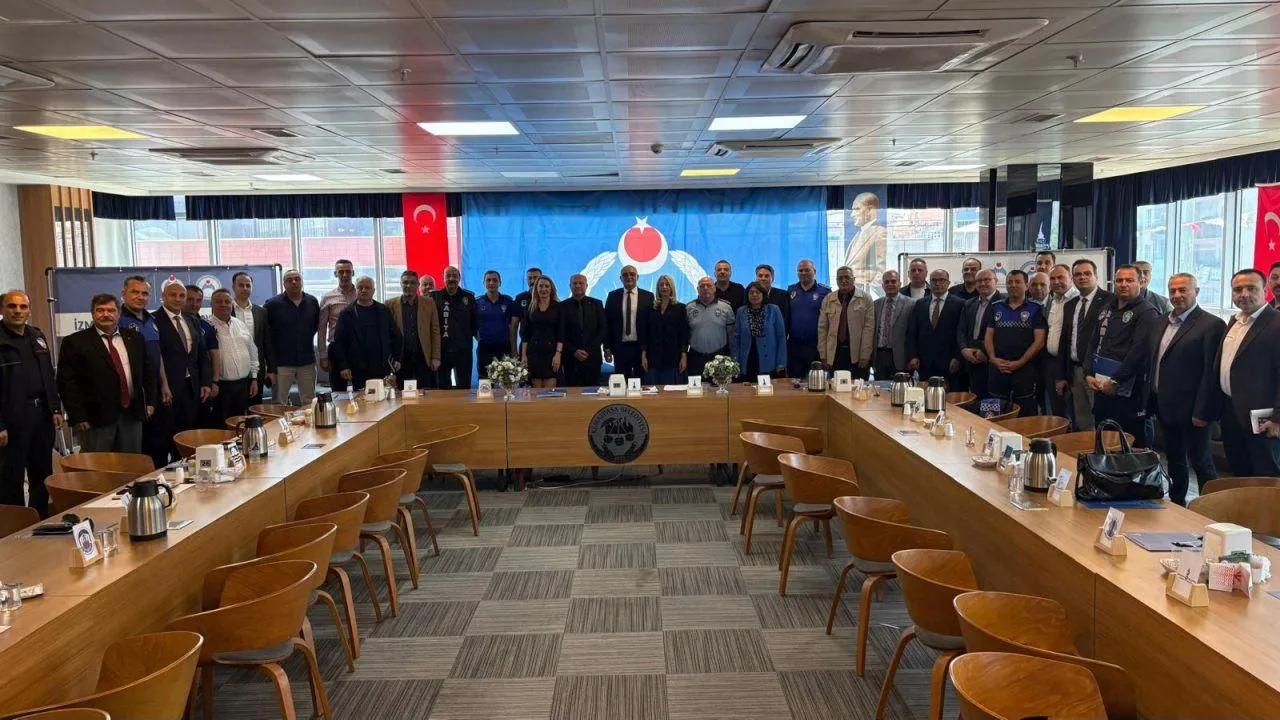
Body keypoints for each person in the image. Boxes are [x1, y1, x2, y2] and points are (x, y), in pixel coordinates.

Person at [1149, 273, 1224, 505]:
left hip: (1194, 411)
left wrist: (1203, 411)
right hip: (1165, 405)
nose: (1177, 295)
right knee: (1174, 459)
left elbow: (1211, 374)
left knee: (1201, 462)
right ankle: (1177, 503)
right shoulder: (1161, 321)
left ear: (1196, 292)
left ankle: (1211, 508)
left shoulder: (1211, 325)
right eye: (1173, 291)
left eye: (1183, 290)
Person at [58, 294, 154, 454]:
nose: (106, 314)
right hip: (95, 418)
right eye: (100, 310)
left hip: (131, 414)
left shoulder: (135, 338)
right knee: (98, 466)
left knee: (131, 463)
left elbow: (147, 372)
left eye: (111, 310)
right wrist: (78, 416)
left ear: (119, 313)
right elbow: (66, 383)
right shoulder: (75, 342)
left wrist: (150, 401)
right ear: (92, 313)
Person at [1085, 265, 1160, 448]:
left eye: (1129, 280)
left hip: (1130, 391)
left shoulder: (1147, 312)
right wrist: (1088, 373)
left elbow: (1139, 352)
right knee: (1104, 439)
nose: (1123, 284)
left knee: (1131, 444)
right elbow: (1093, 342)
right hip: (1102, 386)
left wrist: (1116, 381)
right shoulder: (1107, 307)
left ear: (1141, 282)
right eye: (1119, 280)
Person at [1214, 268, 1280, 477]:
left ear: (1265, 290)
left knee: (1265, 473)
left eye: (1251, 288)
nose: (1244, 294)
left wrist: (1278, 419)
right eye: (1238, 290)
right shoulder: (1234, 321)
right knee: (1239, 469)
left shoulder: (1276, 323)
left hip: (1263, 415)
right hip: (1230, 411)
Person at [0, 291, 61, 515]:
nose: (18, 311)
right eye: (12, 306)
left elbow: (48, 375)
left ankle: (39, 520)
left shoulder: (37, 336)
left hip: (41, 415)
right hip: (12, 419)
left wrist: (55, 408)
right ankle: (15, 525)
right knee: (11, 477)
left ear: (29, 310)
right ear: (2, 309)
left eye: (23, 307)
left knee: (42, 473)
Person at [151, 282, 212, 465]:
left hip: (191, 388)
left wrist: (206, 382)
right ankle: (162, 476)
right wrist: (162, 385)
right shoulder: (153, 320)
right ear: (163, 296)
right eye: (173, 295)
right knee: (163, 439)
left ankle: (186, 471)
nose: (178, 299)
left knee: (187, 436)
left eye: (181, 295)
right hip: (166, 390)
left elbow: (202, 353)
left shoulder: (191, 320)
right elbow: (154, 357)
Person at [1056, 259, 1113, 431]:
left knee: (1102, 418)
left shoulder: (1111, 300)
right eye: (1078, 274)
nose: (1083, 277)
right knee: (1082, 419)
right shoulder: (1070, 305)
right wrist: (1061, 375)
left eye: (1087, 273)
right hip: (1074, 370)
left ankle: (1101, 447)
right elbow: (1065, 340)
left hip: (1098, 372)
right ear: (1073, 278)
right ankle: (1086, 447)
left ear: (1096, 276)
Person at [118, 276, 170, 463]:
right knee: (138, 446)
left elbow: (158, 354)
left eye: (145, 293)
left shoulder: (152, 319)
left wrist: (164, 384)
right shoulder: (118, 320)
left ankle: (161, 476)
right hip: (134, 392)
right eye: (135, 292)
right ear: (123, 294)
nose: (140, 297)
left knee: (159, 441)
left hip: (154, 389)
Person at [983, 270, 1047, 416]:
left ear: (1027, 285)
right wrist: (993, 359)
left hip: (1024, 369)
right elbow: (988, 336)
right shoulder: (995, 307)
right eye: (1010, 282)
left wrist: (1020, 363)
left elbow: (1039, 342)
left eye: (1018, 282)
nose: (1013, 285)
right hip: (997, 368)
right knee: (993, 410)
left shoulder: (1036, 309)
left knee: (1025, 412)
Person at [333, 276, 402, 392]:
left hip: (382, 366)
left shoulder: (384, 310)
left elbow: (396, 336)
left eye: (367, 288)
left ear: (373, 291)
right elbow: (339, 342)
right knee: (362, 399)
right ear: (356, 290)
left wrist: (397, 358)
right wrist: (343, 366)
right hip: (358, 368)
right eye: (360, 287)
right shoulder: (347, 313)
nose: (364, 290)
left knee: (384, 397)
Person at [264, 269, 320, 405]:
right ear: (284, 284)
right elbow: (266, 334)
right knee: (279, 403)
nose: (294, 282)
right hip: (281, 363)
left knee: (310, 401)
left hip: (307, 361)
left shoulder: (312, 301)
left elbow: (315, 327)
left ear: (302, 282)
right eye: (289, 280)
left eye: (297, 279)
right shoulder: (272, 304)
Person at [906, 269, 965, 389]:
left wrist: (958, 357)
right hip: (924, 363)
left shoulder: (960, 304)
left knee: (949, 398)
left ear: (948, 283)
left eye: (941, 280)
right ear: (929, 282)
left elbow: (962, 333)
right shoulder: (920, 304)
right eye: (934, 280)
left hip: (950, 363)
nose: (937, 283)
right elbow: (912, 332)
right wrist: (913, 356)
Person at [208, 289, 258, 424]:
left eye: (227, 301)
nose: (223, 304)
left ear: (232, 304)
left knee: (240, 423)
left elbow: (253, 352)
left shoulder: (240, 324)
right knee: (220, 425)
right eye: (219, 301)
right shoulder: (207, 326)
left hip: (243, 385)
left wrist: (253, 378)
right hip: (220, 387)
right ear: (211, 304)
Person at [817, 266, 874, 379]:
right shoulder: (828, 299)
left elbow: (869, 329)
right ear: (836, 281)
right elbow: (822, 329)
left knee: (858, 387)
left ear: (854, 279)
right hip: (835, 354)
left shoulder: (865, 299)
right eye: (840, 278)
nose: (843, 281)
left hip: (857, 355)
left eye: (847, 277)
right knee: (835, 387)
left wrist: (865, 355)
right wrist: (823, 355)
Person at [387, 270, 441, 390]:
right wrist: (391, 359)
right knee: (402, 393)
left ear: (417, 285)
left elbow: (435, 331)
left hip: (423, 356)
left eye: (412, 282)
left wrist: (436, 357)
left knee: (426, 392)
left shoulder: (429, 303)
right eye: (405, 282)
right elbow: (387, 334)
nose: (409, 285)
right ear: (400, 284)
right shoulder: (389, 304)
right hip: (401, 359)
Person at [520, 276, 572, 389]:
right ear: (536, 288)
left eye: (546, 286)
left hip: (552, 353)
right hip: (534, 353)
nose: (543, 289)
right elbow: (525, 334)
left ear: (551, 288)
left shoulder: (559, 307)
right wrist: (523, 356)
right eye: (541, 286)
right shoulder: (529, 306)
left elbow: (561, 333)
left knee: (549, 392)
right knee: (536, 392)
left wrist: (558, 354)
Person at [958, 269, 1003, 399]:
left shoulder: (1003, 303)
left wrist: (984, 351)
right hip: (970, 360)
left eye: (987, 280)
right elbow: (961, 330)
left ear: (996, 281)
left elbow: (1003, 334)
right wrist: (963, 349)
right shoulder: (969, 304)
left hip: (992, 362)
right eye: (979, 281)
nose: (982, 283)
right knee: (975, 401)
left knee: (992, 403)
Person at [1041, 264, 1078, 418]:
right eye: (1052, 278)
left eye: (1060, 277)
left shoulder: (1077, 299)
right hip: (1052, 362)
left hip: (1071, 365)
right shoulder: (1052, 300)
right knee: (1056, 411)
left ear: (1071, 278)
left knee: (1075, 411)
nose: (1056, 282)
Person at [604, 265, 653, 379]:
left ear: (637, 277)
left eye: (632, 274)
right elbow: (607, 323)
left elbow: (650, 325)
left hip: (641, 348)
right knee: (621, 382)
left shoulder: (648, 296)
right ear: (620, 278)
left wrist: (648, 349)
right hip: (620, 348)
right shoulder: (612, 296)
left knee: (640, 382)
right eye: (625, 275)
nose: (629, 277)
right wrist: (607, 348)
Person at [432, 266, 477, 389]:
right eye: (448, 276)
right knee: (442, 388)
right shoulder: (434, 297)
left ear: (459, 278)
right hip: (442, 351)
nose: (451, 279)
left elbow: (475, 323)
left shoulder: (469, 297)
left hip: (463, 351)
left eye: (454, 276)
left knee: (464, 387)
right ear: (443, 278)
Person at [785, 259, 829, 379]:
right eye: (800, 270)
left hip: (815, 345)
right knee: (794, 381)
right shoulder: (790, 290)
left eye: (807, 270)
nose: (803, 273)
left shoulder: (825, 291)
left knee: (816, 381)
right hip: (794, 345)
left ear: (814, 271)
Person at [733, 282, 787, 380]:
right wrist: (735, 360)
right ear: (747, 295)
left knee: (766, 388)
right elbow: (736, 338)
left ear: (763, 295)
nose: (754, 295)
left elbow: (781, 337)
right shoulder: (741, 311)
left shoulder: (773, 310)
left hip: (769, 360)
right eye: (751, 293)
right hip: (747, 359)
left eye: (757, 292)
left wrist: (781, 362)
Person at [231, 272, 270, 406]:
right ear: (233, 287)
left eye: (248, 285)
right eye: (241, 285)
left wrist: (272, 369)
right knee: (235, 408)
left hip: (257, 368)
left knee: (255, 407)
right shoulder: (225, 309)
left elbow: (267, 342)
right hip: (233, 368)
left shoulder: (261, 312)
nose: (245, 288)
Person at [317, 259, 356, 391]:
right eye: (341, 272)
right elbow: (321, 329)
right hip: (337, 349)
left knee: (362, 388)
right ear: (335, 274)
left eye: (348, 271)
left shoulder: (361, 295)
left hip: (359, 348)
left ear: (353, 273)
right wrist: (323, 356)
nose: (345, 275)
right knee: (338, 390)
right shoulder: (328, 298)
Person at [184, 284, 219, 427]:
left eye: (198, 300)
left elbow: (213, 355)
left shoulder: (206, 326)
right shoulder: (170, 323)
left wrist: (214, 382)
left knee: (202, 425)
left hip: (203, 385)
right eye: (190, 299)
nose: (194, 304)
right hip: (182, 386)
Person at [646, 275, 690, 385]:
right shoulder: (650, 308)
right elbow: (645, 334)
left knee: (671, 391)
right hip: (653, 358)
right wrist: (643, 355)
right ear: (658, 288)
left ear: (672, 288)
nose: (664, 287)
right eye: (661, 285)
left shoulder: (680, 308)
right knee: (653, 390)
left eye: (667, 285)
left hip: (673, 357)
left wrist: (684, 356)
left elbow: (684, 334)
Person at [687, 276, 734, 378]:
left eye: (709, 285)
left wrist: (732, 355)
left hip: (719, 357)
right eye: (702, 286)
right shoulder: (689, 308)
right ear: (697, 289)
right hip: (695, 357)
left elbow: (731, 334)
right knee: (696, 387)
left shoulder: (726, 307)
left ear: (714, 288)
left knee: (719, 386)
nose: (705, 288)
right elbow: (685, 334)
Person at [564, 274, 606, 387]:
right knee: (572, 393)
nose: (578, 285)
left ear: (586, 285)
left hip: (592, 358)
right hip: (571, 359)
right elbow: (561, 332)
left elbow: (603, 329)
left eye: (581, 283)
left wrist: (589, 350)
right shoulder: (562, 306)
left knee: (593, 393)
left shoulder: (597, 304)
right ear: (570, 286)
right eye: (575, 283)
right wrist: (574, 351)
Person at [872, 270, 913, 380]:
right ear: (882, 285)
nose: (890, 284)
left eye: (893, 281)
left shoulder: (911, 304)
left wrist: (912, 357)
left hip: (901, 357)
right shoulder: (876, 304)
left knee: (900, 388)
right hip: (879, 355)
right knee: (879, 388)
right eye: (887, 282)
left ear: (900, 284)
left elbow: (913, 333)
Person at [476, 270, 516, 374]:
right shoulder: (477, 303)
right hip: (485, 348)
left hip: (504, 348)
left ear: (500, 283)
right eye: (488, 280)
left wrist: (514, 350)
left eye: (494, 280)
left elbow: (512, 326)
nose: (491, 283)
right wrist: (480, 339)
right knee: (485, 381)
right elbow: (473, 325)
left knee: (506, 379)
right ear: (484, 283)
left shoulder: (508, 302)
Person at [843, 191, 887, 280]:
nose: (852, 214)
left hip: (865, 287)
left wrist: (869, 286)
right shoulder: (859, 233)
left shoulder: (880, 233)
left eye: (857, 209)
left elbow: (881, 271)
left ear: (870, 210)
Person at [509, 267, 541, 358]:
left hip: (547, 346)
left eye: (535, 278)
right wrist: (514, 351)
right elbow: (514, 326)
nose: (532, 281)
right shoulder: (520, 298)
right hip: (526, 346)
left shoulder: (549, 298)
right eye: (530, 278)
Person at [754, 264, 791, 330]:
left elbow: (785, 320)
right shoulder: (750, 295)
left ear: (772, 278)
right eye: (760, 276)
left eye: (767, 276)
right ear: (756, 278)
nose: (763, 278)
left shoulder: (783, 295)